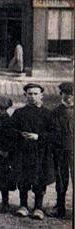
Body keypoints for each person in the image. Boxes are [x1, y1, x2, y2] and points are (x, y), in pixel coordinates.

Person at [10, 82, 55, 220]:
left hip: (41, 153)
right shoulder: (19, 113)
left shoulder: (48, 114)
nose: (33, 97)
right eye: (29, 94)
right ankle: (23, 206)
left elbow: (55, 133)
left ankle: (38, 207)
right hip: (23, 152)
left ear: (41, 95)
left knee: (39, 180)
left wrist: (39, 136)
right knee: (23, 180)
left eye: (36, 94)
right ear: (25, 96)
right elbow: (10, 130)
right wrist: (19, 134)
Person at [52, 81, 73, 219]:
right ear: (61, 94)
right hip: (61, 150)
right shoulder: (56, 112)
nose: (70, 97)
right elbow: (54, 132)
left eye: (72, 94)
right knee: (61, 180)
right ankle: (60, 207)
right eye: (67, 94)